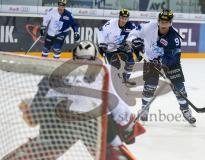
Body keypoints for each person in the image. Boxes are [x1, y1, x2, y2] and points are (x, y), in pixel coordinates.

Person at [2, 41, 145, 160]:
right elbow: (116, 104)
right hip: (93, 121)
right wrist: (127, 125)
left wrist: (33, 111)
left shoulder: (58, 69)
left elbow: (43, 96)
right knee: (112, 148)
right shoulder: (104, 71)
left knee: (43, 147)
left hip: (60, 120)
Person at [127, 9, 196, 125]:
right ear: (158, 21)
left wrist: (160, 62)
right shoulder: (149, 26)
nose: (164, 24)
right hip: (150, 59)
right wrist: (135, 42)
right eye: (162, 21)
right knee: (150, 86)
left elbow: (174, 58)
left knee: (179, 88)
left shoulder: (174, 38)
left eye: (167, 22)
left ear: (170, 22)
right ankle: (144, 109)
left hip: (170, 63)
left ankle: (185, 110)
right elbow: (132, 34)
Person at [97, 8, 142, 87]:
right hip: (110, 48)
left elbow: (135, 36)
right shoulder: (111, 23)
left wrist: (135, 47)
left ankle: (125, 79)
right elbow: (101, 31)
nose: (123, 20)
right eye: (122, 18)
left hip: (122, 46)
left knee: (131, 62)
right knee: (116, 67)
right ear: (119, 17)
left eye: (125, 18)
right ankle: (115, 83)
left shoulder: (130, 26)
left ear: (128, 18)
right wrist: (101, 44)